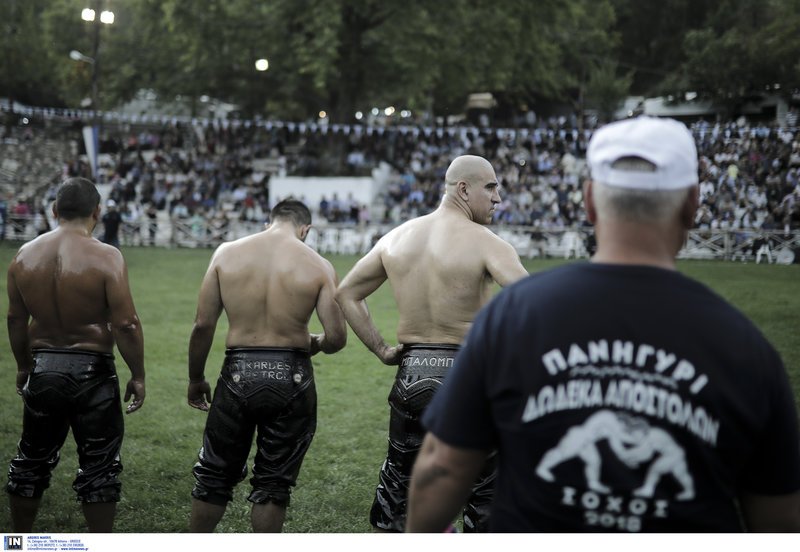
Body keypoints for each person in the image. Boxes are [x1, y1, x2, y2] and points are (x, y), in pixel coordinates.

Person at [406, 117, 800, 532]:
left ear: (591, 201)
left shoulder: (515, 315)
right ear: (692, 204)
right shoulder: (746, 347)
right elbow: (780, 517)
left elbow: (442, 469)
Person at [335, 154, 529, 532]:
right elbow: (530, 301)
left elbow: (346, 293)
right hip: (468, 373)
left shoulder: (397, 237)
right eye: (490, 187)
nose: (497, 198)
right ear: (463, 188)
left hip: (412, 375)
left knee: (399, 488)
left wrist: (381, 349)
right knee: (486, 491)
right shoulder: (487, 242)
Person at [187, 198, 346, 533]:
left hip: (237, 371)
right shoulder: (317, 264)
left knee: (214, 474)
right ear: (306, 230)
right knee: (273, 484)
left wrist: (196, 378)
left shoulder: (226, 254)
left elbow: (202, 325)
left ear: (268, 222)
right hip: (292, 373)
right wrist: (311, 342)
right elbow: (336, 337)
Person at [5, 177, 146, 533]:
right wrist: (138, 374)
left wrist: (24, 367)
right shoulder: (106, 256)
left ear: (54, 211)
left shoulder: (23, 256)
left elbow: (16, 319)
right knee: (99, 466)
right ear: (96, 212)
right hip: (93, 370)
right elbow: (126, 324)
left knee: (31, 460)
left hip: (43, 365)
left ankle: (19, 540)